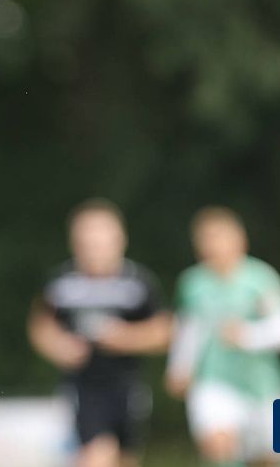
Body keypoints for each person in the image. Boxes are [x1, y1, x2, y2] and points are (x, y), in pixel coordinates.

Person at [27, 198, 171, 467]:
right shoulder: (62, 283)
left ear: (120, 240)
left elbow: (164, 331)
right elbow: (41, 325)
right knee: (97, 456)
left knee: (125, 459)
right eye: (87, 244)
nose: (94, 251)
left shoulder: (138, 282)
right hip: (83, 389)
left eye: (101, 243)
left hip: (128, 388)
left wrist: (125, 338)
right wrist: (59, 346)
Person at [165, 206, 280, 467]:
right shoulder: (192, 283)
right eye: (206, 239)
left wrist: (248, 335)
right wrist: (179, 367)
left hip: (264, 385)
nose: (213, 246)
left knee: (274, 456)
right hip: (213, 382)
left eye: (219, 237)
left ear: (240, 240)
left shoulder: (261, 278)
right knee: (218, 447)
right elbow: (188, 329)